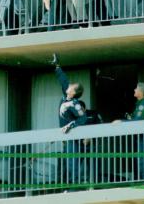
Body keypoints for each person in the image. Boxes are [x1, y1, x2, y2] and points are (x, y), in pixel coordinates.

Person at [50, 53, 87, 188]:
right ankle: (71, 184)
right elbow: (63, 80)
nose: (69, 85)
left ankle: (74, 185)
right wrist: (57, 65)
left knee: (72, 161)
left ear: (73, 92)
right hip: (67, 137)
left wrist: (71, 125)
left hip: (73, 137)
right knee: (68, 161)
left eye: (71, 86)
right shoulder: (66, 98)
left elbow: (83, 118)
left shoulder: (75, 103)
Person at [115, 82, 144, 181]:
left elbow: (137, 121)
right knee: (142, 159)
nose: (134, 90)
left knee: (143, 160)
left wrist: (121, 121)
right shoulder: (141, 103)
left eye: (136, 88)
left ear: (141, 92)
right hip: (143, 136)